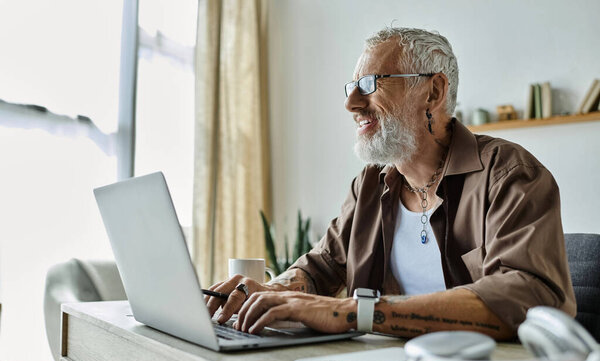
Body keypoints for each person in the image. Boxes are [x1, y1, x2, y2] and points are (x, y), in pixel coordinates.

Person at [204, 27, 576, 340]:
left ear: (433, 92)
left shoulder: (509, 174)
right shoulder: (368, 185)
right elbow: (318, 268)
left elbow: (529, 296)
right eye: (351, 86)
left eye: (370, 84)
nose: (351, 102)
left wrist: (355, 312)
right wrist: (270, 292)